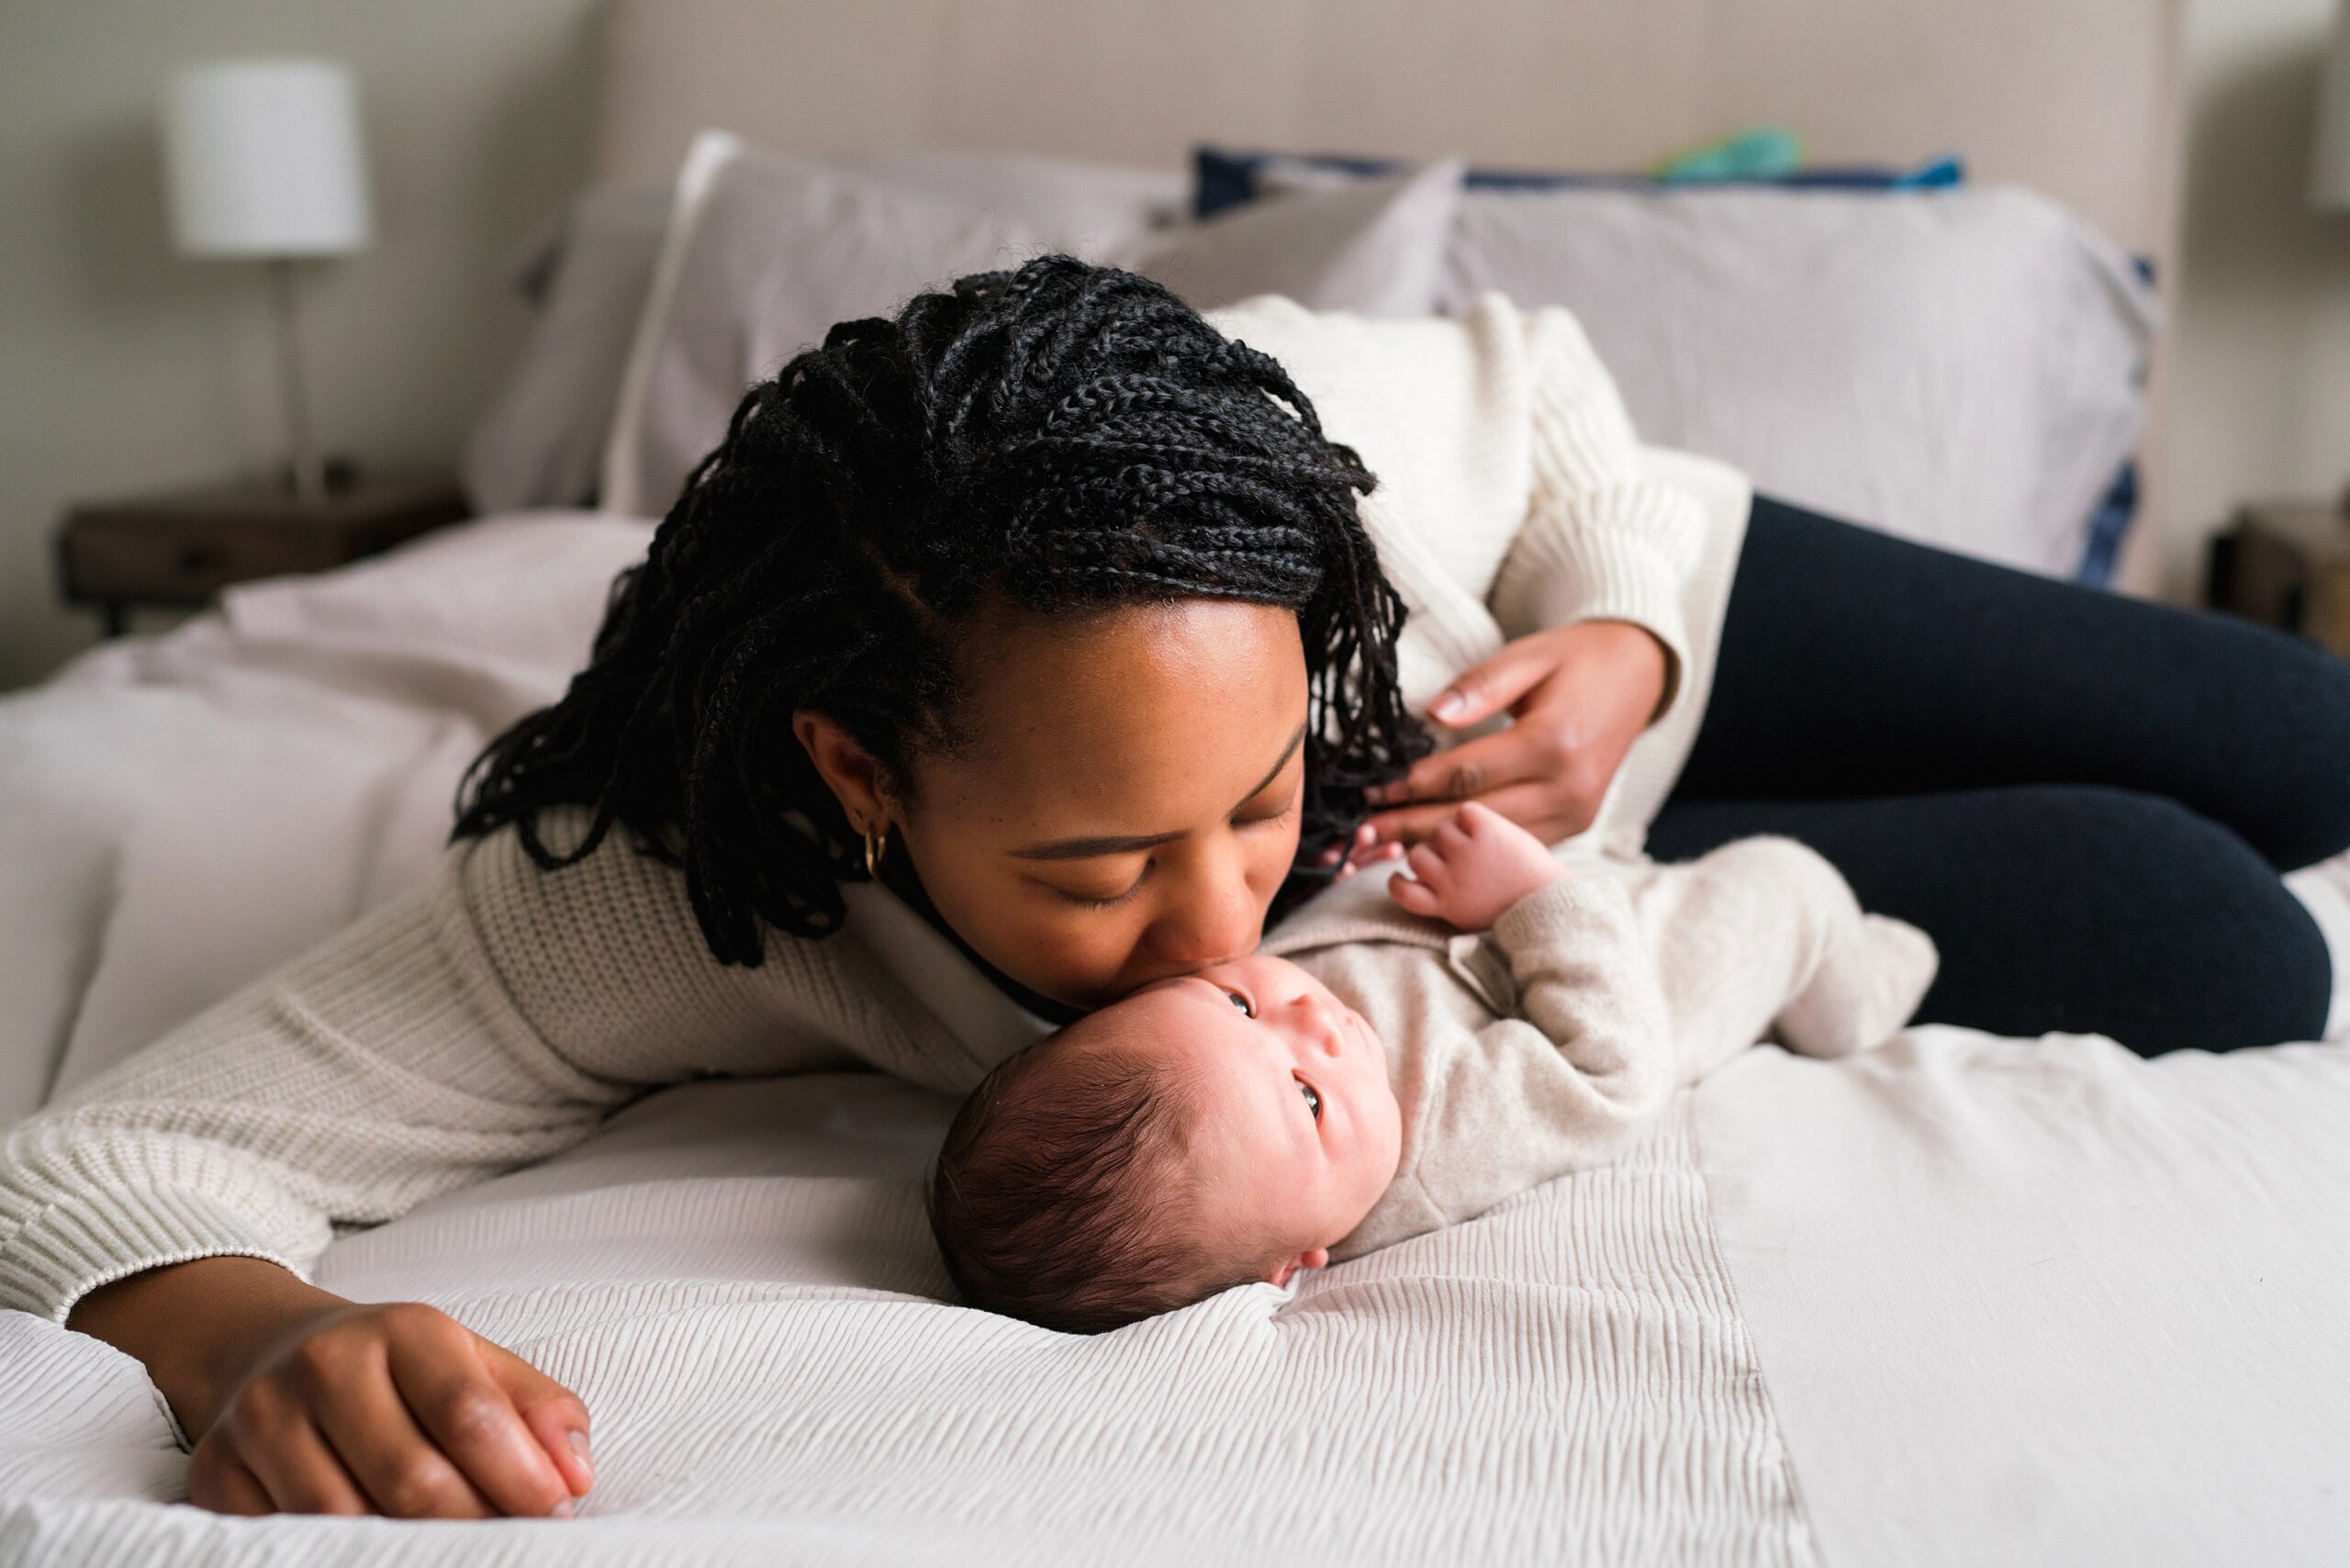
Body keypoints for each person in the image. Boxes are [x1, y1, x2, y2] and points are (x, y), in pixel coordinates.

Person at [5, 255, 2344, 1520]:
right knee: (2215, 935)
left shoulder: (1255, 429)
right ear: (855, 775)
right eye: (1104, 867)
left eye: (1256, 807)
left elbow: (1532, 388)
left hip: (1595, 650)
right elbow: (110, 1164)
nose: (1225, 938)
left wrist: (1621, 638)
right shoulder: (657, 896)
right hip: (1578, 880)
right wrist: (259, 1338)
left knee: (2304, 743)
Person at [928, 804, 1938, 1334]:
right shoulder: (1431, 1149)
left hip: (1531, 899)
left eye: (1233, 1002)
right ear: (1296, 1259)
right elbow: (1611, 1078)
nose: (1306, 1023)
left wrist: (1378, 871)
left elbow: (1330, 952)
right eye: (1310, 1100)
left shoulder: (1251, 1063)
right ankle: (1860, 988)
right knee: (1787, 887)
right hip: (1646, 964)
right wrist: (1538, 895)